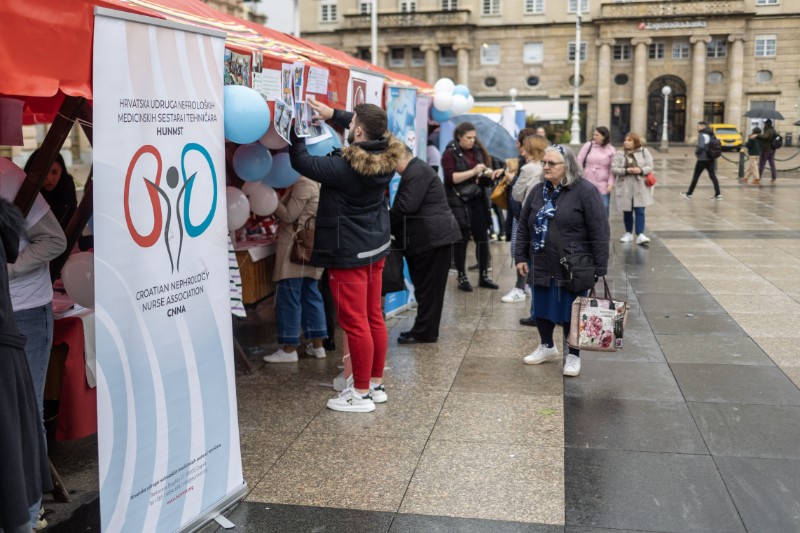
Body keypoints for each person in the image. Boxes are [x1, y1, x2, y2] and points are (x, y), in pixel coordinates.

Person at [291, 98, 405, 413]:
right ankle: (376, 384)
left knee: (355, 322)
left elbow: (301, 161)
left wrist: (295, 127)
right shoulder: (389, 154)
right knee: (371, 317)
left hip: (349, 251)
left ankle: (360, 393)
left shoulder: (344, 168)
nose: (348, 123)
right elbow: (375, 129)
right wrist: (334, 115)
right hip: (375, 246)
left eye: (351, 121)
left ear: (356, 130)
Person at [0, 157, 67, 530]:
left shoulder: (8, 175)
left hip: (24, 311)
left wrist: (6, 269)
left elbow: (54, 238)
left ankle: (30, 508)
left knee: (27, 413)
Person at [515, 145, 609, 377]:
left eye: (552, 163)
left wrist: (599, 266)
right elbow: (524, 226)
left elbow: (600, 230)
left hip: (573, 263)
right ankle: (547, 346)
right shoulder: (538, 191)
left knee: (572, 310)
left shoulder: (585, 191)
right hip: (541, 259)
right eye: (544, 163)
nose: (546, 167)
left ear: (567, 166)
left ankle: (573, 355)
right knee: (542, 307)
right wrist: (519, 256)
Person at [391, 147, 461, 344]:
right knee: (427, 290)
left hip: (432, 240)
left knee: (429, 290)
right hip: (431, 239)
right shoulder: (417, 169)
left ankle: (425, 332)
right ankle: (424, 330)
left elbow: (406, 207)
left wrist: (385, 219)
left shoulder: (416, 171)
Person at [262, 176, 328, 363]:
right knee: (311, 294)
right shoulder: (319, 181)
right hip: (312, 246)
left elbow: (290, 215)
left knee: (289, 296)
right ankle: (317, 346)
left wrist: (271, 199)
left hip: (296, 248)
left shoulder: (303, 182)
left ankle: (289, 348)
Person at [441, 122, 502, 292]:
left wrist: (489, 174)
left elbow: (481, 175)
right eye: (468, 138)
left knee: (482, 239)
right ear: (459, 136)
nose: (472, 141)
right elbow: (450, 178)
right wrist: (473, 171)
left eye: (474, 137)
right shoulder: (449, 153)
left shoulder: (477, 151)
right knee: (461, 241)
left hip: (478, 200)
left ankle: (484, 275)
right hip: (459, 202)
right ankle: (462, 276)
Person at [503, 134, 547, 304]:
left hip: (527, 216)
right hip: (543, 217)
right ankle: (528, 285)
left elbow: (516, 194)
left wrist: (511, 179)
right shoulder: (546, 166)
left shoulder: (528, 169)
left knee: (520, 250)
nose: (522, 153)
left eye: (525, 149)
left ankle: (520, 288)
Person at [611, 133, 655, 246]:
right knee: (627, 210)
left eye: (629, 140)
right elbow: (614, 168)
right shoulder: (619, 154)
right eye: (625, 140)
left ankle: (640, 234)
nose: (626, 142)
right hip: (624, 186)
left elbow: (650, 166)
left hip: (639, 185)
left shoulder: (644, 152)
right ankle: (628, 233)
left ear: (635, 142)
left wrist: (640, 170)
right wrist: (626, 171)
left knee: (640, 210)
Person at [23, 150, 78, 227]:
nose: (49, 178)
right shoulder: (26, 187)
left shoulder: (66, 184)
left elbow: (73, 214)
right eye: (43, 173)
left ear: (62, 171)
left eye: (54, 172)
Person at [577, 126, 616, 215]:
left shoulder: (611, 149)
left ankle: (604, 227)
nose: (594, 136)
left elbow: (612, 168)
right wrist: (580, 176)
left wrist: (610, 183)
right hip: (588, 179)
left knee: (604, 206)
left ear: (604, 136)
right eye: (594, 134)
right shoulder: (588, 145)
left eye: (597, 135)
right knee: (588, 207)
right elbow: (579, 161)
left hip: (603, 182)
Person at [681, 121, 722, 200]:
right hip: (710, 158)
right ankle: (718, 194)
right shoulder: (711, 133)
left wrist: (696, 152)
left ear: (703, 127)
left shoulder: (701, 134)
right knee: (713, 176)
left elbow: (701, 146)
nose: (697, 128)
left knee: (695, 177)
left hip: (702, 159)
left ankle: (689, 194)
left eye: (698, 126)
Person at [758, 118, 777, 183]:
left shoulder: (768, 130)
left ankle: (758, 177)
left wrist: (757, 135)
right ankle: (774, 178)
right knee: (772, 164)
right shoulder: (773, 130)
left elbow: (765, 137)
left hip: (766, 149)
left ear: (767, 124)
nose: (764, 125)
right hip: (772, 150)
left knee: (761, 164)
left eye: (765, 123)